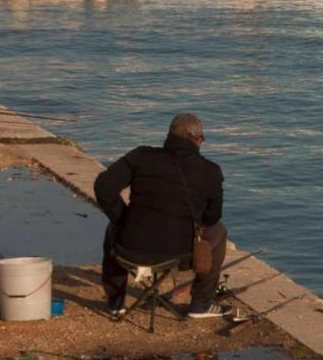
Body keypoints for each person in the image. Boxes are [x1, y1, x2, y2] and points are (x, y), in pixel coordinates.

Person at [94, 113, 230, 319]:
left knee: (113, 227)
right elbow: (211, 217)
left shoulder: (140, 156)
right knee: (218, 231)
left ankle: (116, 302)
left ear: (168, 135)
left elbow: (104, 186)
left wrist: (123, 218)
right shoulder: (211, 171)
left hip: (129, 249)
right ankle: (201, 304)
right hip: (178, 255)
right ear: (198, 140)